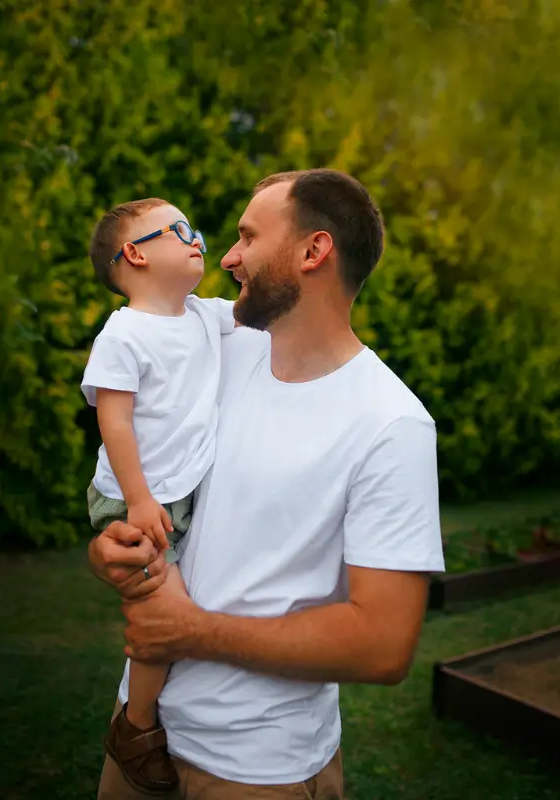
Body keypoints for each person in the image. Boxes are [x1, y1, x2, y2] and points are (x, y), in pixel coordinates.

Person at [89, 169, 445, 799]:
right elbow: (140, 463)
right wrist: (114, 546)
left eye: (248, 237)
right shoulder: (213, 346)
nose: (226, 258)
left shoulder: (391, 423)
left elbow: (383, 646)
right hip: (137, 738)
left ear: (314, 251)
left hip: (254, 769)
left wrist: (190, 632)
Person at [82, 198, 235, 794]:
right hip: (132, 498)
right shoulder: (123, 334)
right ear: (137, 254)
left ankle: (140, 718)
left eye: (192, 227)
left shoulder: (202, 315)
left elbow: (258, 314)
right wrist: (142, 501)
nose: (195, 237)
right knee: (164, 619)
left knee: (169, 607)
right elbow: (114, 425)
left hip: (178, 492)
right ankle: (136, 726)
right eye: (179, 231)